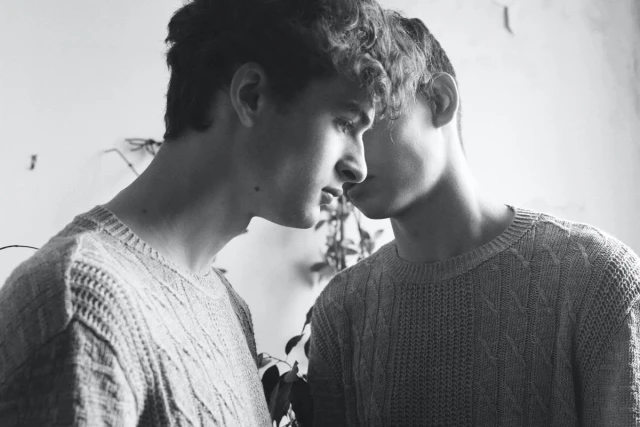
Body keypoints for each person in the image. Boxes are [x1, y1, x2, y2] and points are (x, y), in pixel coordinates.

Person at [0, 0, 421, 425]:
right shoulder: (82, 305)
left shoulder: (225, 303)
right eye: (346, 123)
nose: (359, 166)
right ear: (251, 96)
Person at [308, 10, 640, 427]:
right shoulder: (341, 312)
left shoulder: (596, 279)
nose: (345, 161)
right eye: (331, 130)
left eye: (360, 120)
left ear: (440, 102)